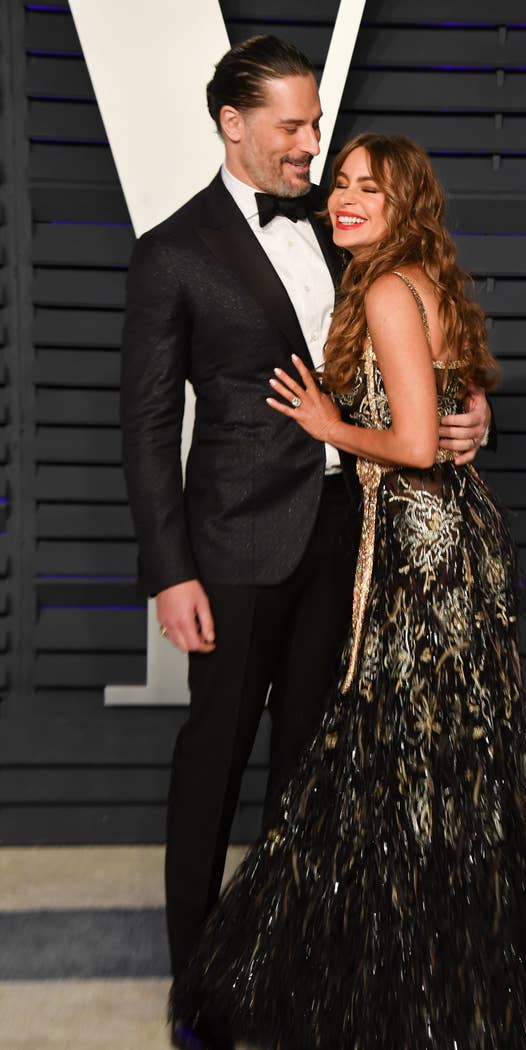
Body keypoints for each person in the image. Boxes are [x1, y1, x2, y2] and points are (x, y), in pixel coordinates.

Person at [120, 36, 491, 1049]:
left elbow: (424, 324)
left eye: (316, 124)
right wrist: (170, 571)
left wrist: (472, 411)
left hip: (349, 537)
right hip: (233, 550)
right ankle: (197, 993)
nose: (310, 145)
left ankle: (283, 965)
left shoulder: (341, 228)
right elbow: (149, 428)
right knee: (214, 767)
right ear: (233, 125)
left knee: (311, 772)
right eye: (292, 126)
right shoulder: (172, 252)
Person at [170, 133, 526, 1050]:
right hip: (444, 548)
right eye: (338, 182)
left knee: (397, 770)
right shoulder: (415, 276)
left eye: (367, 190)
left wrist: (328, 424)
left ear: (406, 205)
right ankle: (433, 990)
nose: (344, 198)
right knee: (434, 771)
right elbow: (453, 404)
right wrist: (471, 412)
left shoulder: (387, 289)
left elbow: (420, 444)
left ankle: (371, 988)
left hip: (423, 563)